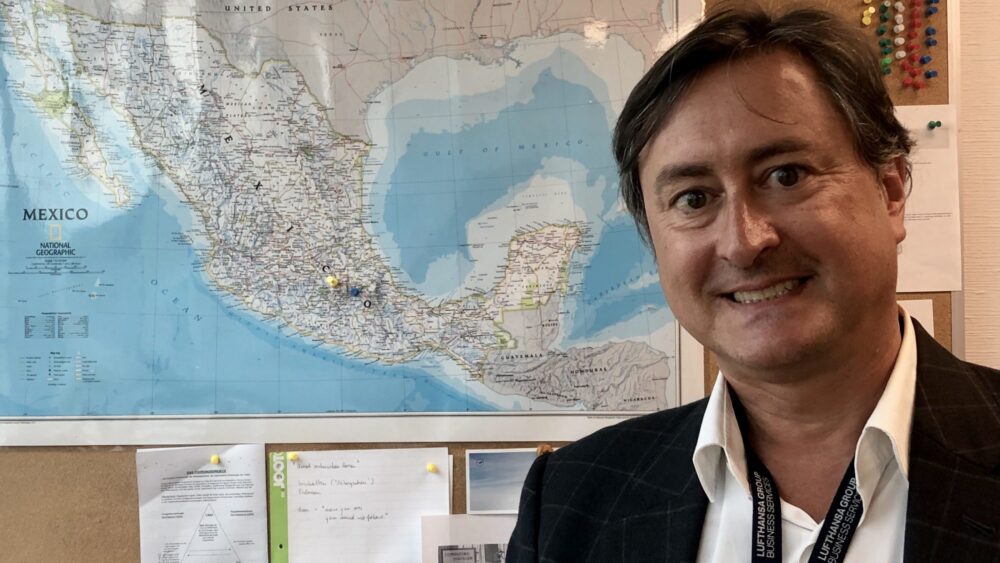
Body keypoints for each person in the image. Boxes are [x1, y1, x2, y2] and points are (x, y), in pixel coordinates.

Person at [506, 5, 1000, 562]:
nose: (744, 242)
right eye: (694, 198)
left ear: (890, 192)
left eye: (786, 175)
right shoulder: (570, 500)